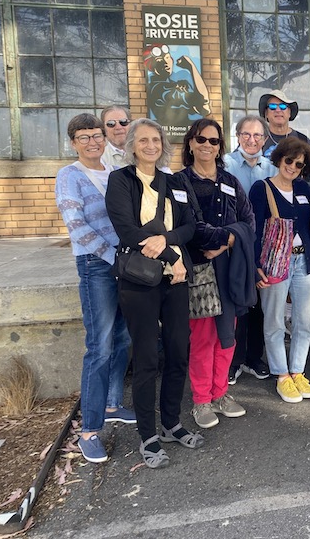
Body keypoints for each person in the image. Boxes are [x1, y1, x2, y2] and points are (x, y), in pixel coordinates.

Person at [105, 118, 200, 469]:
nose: (150, 145)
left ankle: (172, 422)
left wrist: (168, 243)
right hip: (140, 283)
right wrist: (172, 257)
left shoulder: (174, 181)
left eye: (155, 139)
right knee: (146, 360)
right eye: (142, 140)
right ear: (131, 145)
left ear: (163, 144)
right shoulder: (120, 180)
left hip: (174, 281)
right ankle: (148, 434)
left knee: (178, 353)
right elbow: (127, 231)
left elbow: (190, 226)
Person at [55, 114, 135, 464]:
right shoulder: (69, 176)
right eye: (84, 137)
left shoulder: (114, 173)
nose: (93, 142)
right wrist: (113, 257)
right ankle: (89, 430)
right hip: (96, 266)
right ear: (73, 142)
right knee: (99, 346)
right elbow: (76, 225)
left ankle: (113, 403)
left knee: (123, 338)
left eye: (97, 136)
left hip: (124, 265)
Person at [177, 119, 253, 429]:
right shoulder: (179, 183)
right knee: (203, 337)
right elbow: (192, 228)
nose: (208, 145)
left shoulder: (231, 182)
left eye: (213, 141)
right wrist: (226, 238)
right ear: (191, 143)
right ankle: (201, 400)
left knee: (227, 335)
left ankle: (221, 393)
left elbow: (248, 222)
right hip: (199, 271)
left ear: (220, 146)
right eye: (201, 139)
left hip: (228, 268)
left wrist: (226, 243)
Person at [249, 137, 310, 404]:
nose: (292, 166)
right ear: (279, 160)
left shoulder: (304, 188)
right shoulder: (261, 188)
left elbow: (309, 230)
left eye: (299, 163)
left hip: (305, 262)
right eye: (288, 160)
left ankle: (298, 371)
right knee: (275, 321)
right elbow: (254, 230)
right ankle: (281, 374)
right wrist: (256, 266)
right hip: (275, 263)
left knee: (304, 322)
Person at [223, 115, 276, 384]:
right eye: (246, 135)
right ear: (238, 136)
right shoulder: (226, 165)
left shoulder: (273, 168)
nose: (252, 140)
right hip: (234, 243)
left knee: (258, 305)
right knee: (236, 304)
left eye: (257, 136)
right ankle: (234, 360)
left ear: (265, 139)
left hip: (265, 246)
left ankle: (255, 357)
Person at [259, 90, 310, 187]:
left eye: (283, 106)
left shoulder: (302, 140)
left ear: (289, 113)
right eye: (272, 106)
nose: (278, 110)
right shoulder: (256, 139)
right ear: (266, 114)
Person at [143, 44, 210, 129]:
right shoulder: (158, 89)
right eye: (159, 60)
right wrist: (191, 66)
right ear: (151, 66)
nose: (166, 63)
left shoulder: (174, 84)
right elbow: (202, 101)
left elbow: (201, 109)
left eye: (167, 58)